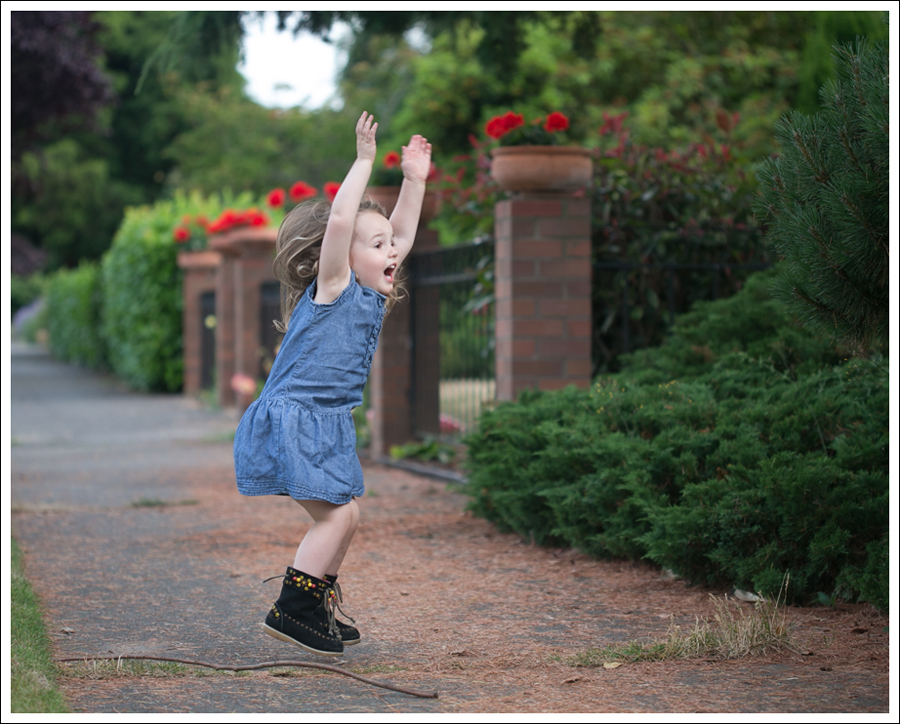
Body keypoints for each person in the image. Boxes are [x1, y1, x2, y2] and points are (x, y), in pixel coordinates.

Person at [233, 111, 432, 656]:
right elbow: (343, 220)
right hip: (295, 419)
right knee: (337, 514)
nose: (392, 251)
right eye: (378, 245)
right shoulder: (336, 286)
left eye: (389, 246)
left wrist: (414, 180)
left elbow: (402, 233)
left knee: (347, 513)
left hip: (323, 422)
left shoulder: (370, 293)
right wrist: (364, 161)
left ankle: (314, 603)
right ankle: (292, 611)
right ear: (344, 256)